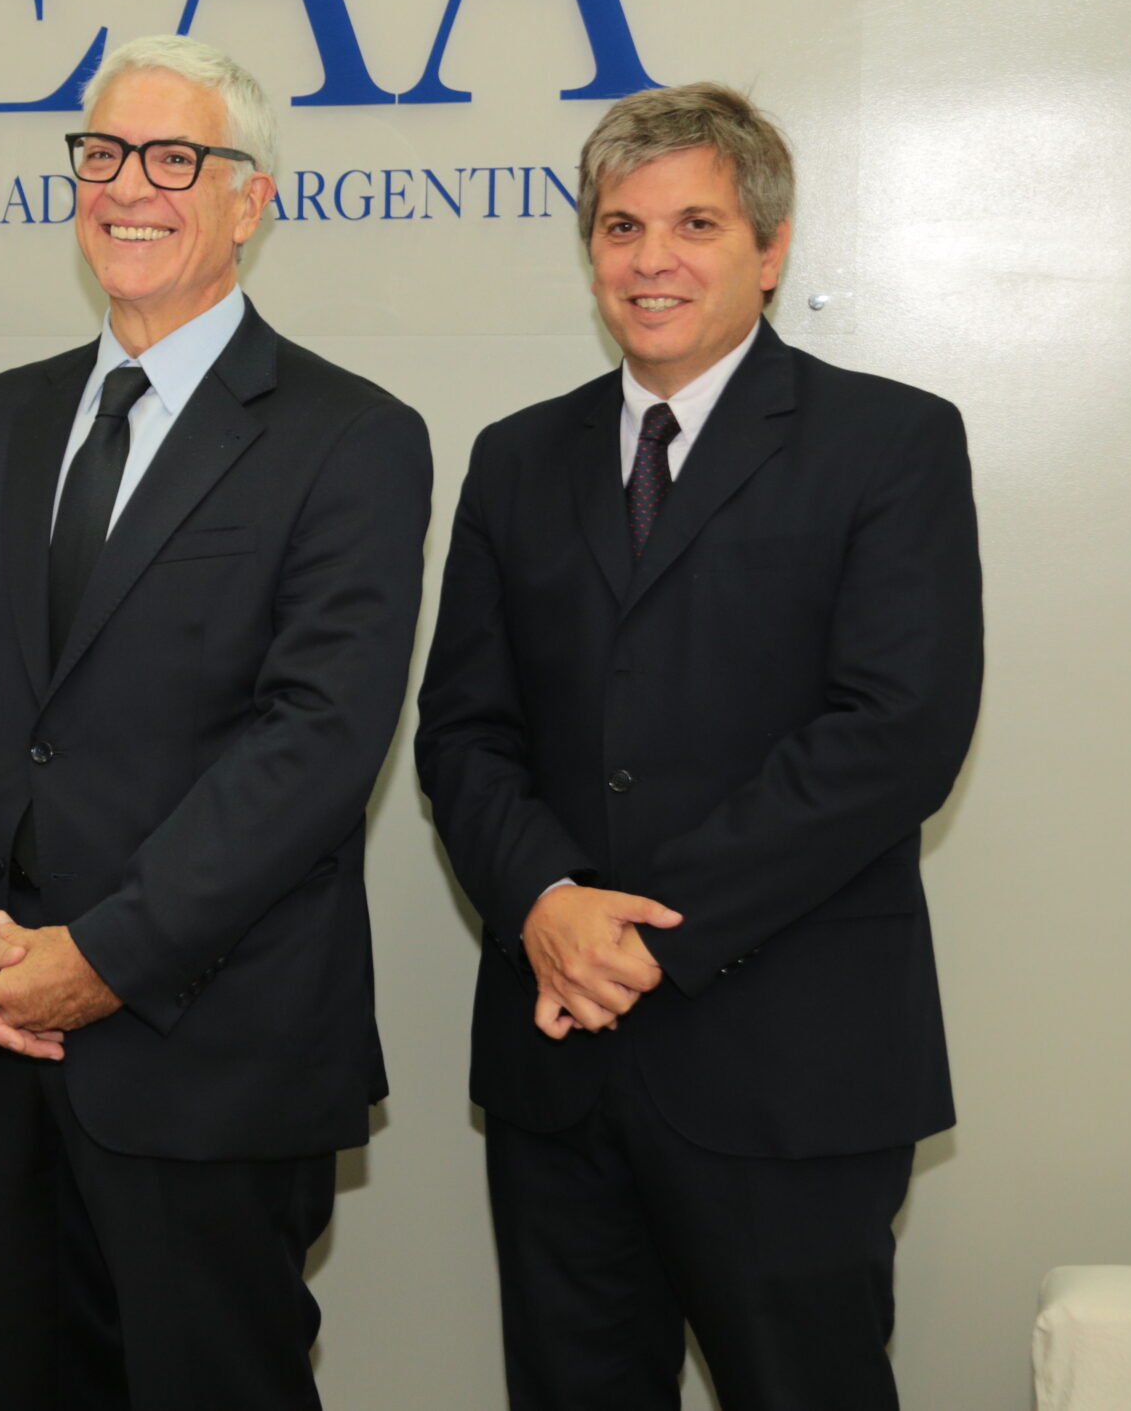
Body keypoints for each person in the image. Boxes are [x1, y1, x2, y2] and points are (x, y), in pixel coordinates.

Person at [0, 34, 431, 1411]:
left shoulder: (349, 437)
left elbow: (314, 745)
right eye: (105, 153)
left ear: (250, 200)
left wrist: (106, 956)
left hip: (207, 1049)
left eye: (176, 159)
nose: (130, 186)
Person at [415, 83, 983, 1410]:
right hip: (561, 1064)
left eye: (696, 224)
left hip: (789, 1066)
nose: (650, 258)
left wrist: (641, 936)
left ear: (770, 250)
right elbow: (465, 730)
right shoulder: (515, 457)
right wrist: (547, 900)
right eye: (621, 226)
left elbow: (896, 733)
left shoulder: (889, 442)